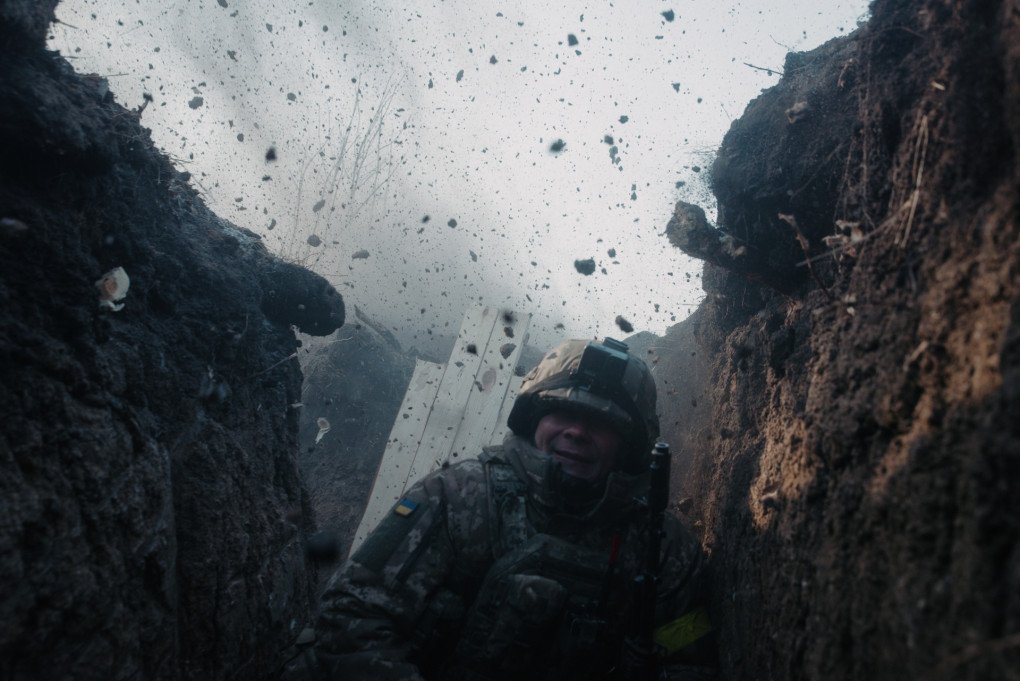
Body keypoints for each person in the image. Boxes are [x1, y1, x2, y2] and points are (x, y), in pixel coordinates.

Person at [294, 338, 715, 680]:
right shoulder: (456, 495)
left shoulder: (663, 550)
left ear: (630, 446)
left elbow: (689, 655)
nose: (578, 432)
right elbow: (352, 616)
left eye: (602, 423)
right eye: (564, 411)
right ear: (534, 419)